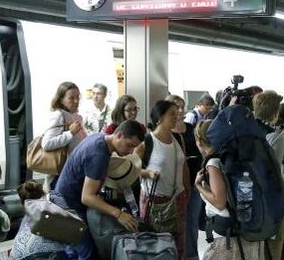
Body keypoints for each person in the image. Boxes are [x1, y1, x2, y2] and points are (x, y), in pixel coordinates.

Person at [52, 120, 145, 260]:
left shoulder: (99, 138)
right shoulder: (99, 155)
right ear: (119, 135)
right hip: (68, 206)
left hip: (64, 199)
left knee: (73, 251)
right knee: (87, 253)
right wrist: (119, 214)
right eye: (129, 145)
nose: (130, 151)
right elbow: (87, 197)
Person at [194, 120, 265, 260]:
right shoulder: (232, 156)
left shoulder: (213, 163)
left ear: (200, 141)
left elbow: (219, 202)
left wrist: (199, 186)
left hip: (226, 234)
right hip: (246, 224)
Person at [138, 100, 189, 260]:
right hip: (154, 202)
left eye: (177, 113)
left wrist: (187, 192)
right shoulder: (147, 141)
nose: (177, 116)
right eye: (172, 114)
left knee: (178, 246)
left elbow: (184, 166)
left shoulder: (178, 140)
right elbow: (131, 169)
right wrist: (148, 173)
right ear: (159, 118)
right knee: (155, 247)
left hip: (177, 198)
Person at [166, 94, 203, 260]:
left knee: (191, 222)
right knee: (174, 222)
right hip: (173, 185)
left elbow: (200, 151)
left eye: (182, 106)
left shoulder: (190, 128)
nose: (180, 110)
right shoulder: (165, 131)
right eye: (176, 107)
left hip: (194, 183)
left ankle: (191, 256)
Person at [253, 90, 284, 260]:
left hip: (250, 206)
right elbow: (274, 175)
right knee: (273, 252)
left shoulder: (246, 133)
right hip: (271, 206)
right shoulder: (276, 138)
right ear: (275, 113)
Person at [41, 82, 87, 192]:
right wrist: (70, 133)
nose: (76, 101)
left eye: (77, 97)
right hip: (61, 175)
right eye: (71, 98)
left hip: (74, 173)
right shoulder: (59, 115)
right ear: (61, 99)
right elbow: (46, 144)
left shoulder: (77, 117)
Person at [9, 181, 68, 260]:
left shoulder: (26, 217)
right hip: (53, 254)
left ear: (22, 204)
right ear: (44, 196)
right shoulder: (55, 210)